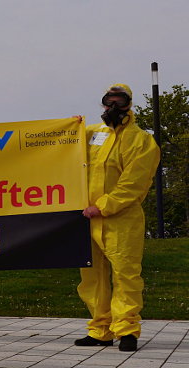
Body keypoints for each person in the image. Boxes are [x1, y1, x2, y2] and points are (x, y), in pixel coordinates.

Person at [74, 84, 160, 352]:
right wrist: (69, 130)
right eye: (108, 102)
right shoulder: (90, 135)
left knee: (126, 276)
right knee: (92, 278)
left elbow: (134, 183)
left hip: (122, 220)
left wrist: (104, 206)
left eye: (119, 102)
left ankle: (127, 331)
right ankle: (101, 330)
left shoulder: (141, 141)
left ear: (129, 105)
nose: (113, 108)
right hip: (88, 220)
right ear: (102, 104)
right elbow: (63, 152)